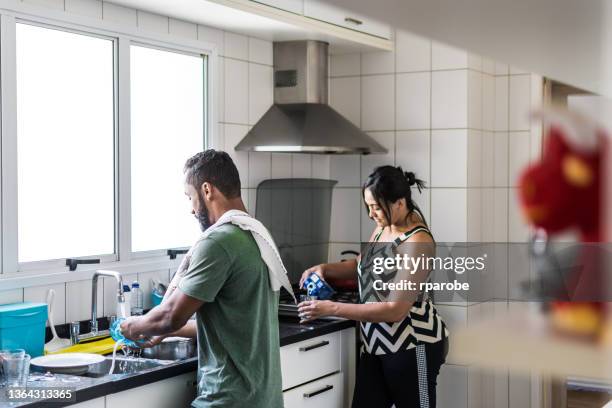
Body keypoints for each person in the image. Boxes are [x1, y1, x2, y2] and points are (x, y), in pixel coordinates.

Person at [120, 150, 283, 408]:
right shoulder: (258, 235)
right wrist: (164, 332)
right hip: (263, 399)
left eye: (190, 197)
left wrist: (132, 326)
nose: (191, 209)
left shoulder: (219, 241)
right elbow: (236, 324)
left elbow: (169, 315)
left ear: (207, 190)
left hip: (226, 399)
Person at [298, 165, 449, 408]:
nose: (371, 214)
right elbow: (362, 263)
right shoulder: (383, 227)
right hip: (376, 344)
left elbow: (395, 309)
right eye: (368, 206)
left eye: (376, 207)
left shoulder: (418, 241)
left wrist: (331, 308)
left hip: (413, 347)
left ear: (399, 202)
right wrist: (325, 268)